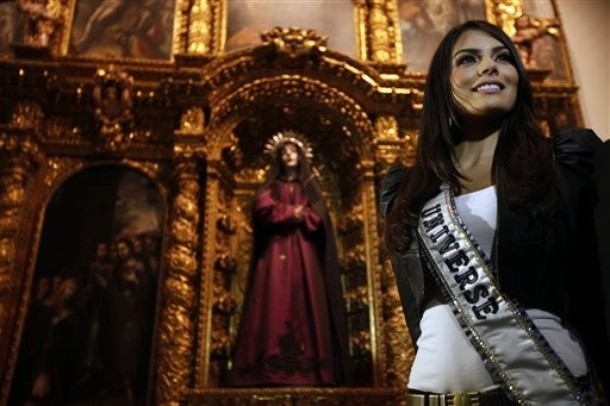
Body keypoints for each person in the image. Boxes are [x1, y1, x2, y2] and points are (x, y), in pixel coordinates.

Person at [380, 20, 609, 405]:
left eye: (503, 58)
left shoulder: (566, 164)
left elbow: (595, 286)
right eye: (469, 59)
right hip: (436, 395)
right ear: (442, 83)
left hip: (551, 391)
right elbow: (416, 313)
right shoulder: (406, 191)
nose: (491, 66)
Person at [228, 131, 351, 387]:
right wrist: (291, 212)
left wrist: (299, 214)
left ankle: (311, 369)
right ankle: (267, 369)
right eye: (283, 153)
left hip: (305, 255)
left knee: (307, 302)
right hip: (275, 254)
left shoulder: (309, 188)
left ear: (300, 156)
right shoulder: (271, 186)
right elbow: (262, 208)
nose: (288, 156)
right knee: (273, 298)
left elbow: (318, 218)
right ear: (278, 158)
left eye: (292, 151)